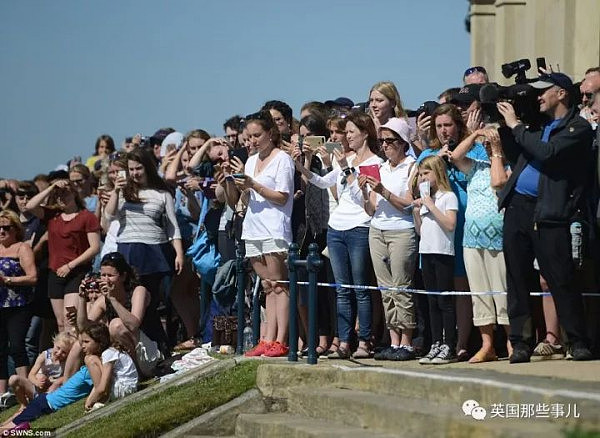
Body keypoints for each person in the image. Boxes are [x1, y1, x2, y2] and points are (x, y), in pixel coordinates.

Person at [496, 72, 595, 362]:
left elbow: (548, 153)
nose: (538, 96)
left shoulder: (578, 127)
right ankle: (521, 342)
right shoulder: (537, 126)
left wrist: (516, 126)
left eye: (543, 91)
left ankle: (576, 340)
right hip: (518, 209)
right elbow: (516, 151)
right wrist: (506, 123)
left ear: (562, 93)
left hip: (550, 212)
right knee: (517, 279)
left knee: (560, 278)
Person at [292, 111, 383, 359]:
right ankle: (343, 341)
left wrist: (345, 167)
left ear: (365, 133)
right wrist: (301, 164)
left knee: (360, 287)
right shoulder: (348, 158)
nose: (347, 137)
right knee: (342, 289)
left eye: (352, 132)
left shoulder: (374, 162)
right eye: (347, 132)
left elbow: (366, 202)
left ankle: (363, 340)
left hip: (359, 228)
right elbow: (322, 183)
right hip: (337, 228)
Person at [417, 103, 488, 361]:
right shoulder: (429, 154)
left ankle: (461, 342)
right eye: (439, 126)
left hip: (466, 225)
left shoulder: (474, 148)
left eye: (448, 125)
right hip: (437, 234)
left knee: (462, 288)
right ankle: (440, 341)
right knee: (440, 292)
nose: (444, 130)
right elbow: (416, 188)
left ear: (458, 125)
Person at [224, 110, 294, 358]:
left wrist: (254, 185)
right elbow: (246, 197)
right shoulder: (252, 161)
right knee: (265, 285)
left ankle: (281, 339)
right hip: (253, 227)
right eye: (249, 136)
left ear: (270, 134)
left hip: (274, 227)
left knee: (279, 285)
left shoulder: (282, 159)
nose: (252, 141)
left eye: (257, 135)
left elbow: (282, 196)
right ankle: (267, 338)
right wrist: (237, 184)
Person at [104, 148, 183, 351]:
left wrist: (179, 253)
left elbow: (172, 227)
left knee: (152, 302)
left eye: (139, 168)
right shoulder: (122, 193)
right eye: (131, 169)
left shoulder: (162, 193)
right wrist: (116, 190)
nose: (135, 173)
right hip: (129, 249)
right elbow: (109, 216)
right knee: (132, 300)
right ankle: (142, 346)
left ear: (147, 167)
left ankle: (158, 346)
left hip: (155, 251)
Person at [449, 128, 511, 363]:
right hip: (472, 240)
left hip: (498, 240)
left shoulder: (508, 167)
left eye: (492, 143)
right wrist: (476, 134)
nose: (487, 146)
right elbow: (455, 157)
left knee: (502, 291)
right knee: (480, 294)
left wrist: (497, 152)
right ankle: (487, 345)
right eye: (486, 144)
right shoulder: (475, 167)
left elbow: (499, 183)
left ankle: (510, 341)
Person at [359, 118, 418, 361]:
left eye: (390, 141)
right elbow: (371, 209)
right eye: (382, 141)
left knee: (401, 286)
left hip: (401, 230)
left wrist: (383, 191)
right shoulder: (380, 168)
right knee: (385, 289)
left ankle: (407, 341)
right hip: (377, 229)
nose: (385, 146)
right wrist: (365, 191)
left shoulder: (412, 166)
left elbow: (408, 204)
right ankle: (393, 340)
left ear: (403, 142)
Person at [64, 252, 161, 379]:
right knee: (81, 342)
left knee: (116, 325)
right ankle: (65, 388)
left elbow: (133, 325)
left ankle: (137, 373)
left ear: (123, 276)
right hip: (126, 351)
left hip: (150, 353)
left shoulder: (138, 291)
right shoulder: (103, 300)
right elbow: (84, 328)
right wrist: (82, 298)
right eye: (103, 275)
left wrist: (113, 299)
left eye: (110, 275)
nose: (105, 279)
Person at [24, 179, 101, 333]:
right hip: (55, 273)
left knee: (70, 320)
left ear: (73, 193)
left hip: (76, 272)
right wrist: (51, 187)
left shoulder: (87, 216)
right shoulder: (52, 215)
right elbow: (30, 206)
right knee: (60, 323)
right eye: (58, 195)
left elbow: (94, 248)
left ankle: (76, 355)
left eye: (65, 193)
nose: (62, 198)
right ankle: (65, 354)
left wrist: (70, 265)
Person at [0, 322, 107, 432]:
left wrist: (90, 401)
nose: (82, 346)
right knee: (7, 429)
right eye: (82, 342)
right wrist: (89, 402)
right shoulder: (91, 360)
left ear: (99, 343)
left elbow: (99, 388)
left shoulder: (92, 360)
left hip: (46, 402)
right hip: (45, 402)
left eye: (86, 342)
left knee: (9, 426)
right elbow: (100, 388)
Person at [413, 156, 459, 365]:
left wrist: (430, 205)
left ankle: (449, 344)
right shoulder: (426, 199)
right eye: (420, 174)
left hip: (443, 253)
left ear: (437, 173)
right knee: (431, 301)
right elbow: (421, 231)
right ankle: (436, 342)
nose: (422, 177)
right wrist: (417, 211)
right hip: (427, 252)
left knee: (445, 301)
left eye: (425, 173)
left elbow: (450, 225)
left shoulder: (447, 197)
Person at [0, 210, 37, 408]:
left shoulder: (22, 248)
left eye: (6, 227)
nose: (1, 231)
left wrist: (7, 280)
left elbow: (32, 277)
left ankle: (25, 385)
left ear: (15, 229)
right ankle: (2, 394)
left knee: (16, 345)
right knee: (0, 349)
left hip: (18, 305)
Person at [8, 332, 75, 409]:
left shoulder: (67, 361)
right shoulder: (45, 355)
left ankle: (43, 402)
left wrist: (54, 381)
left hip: (53, 390)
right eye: (58, 348)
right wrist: (37, 382)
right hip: (37, 388)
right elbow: (31, 375)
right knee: (13, 379)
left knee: (57, 380)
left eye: (64, 352)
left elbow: (68, 377)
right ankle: (24, 405)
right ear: (54, 343)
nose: (59, 353)